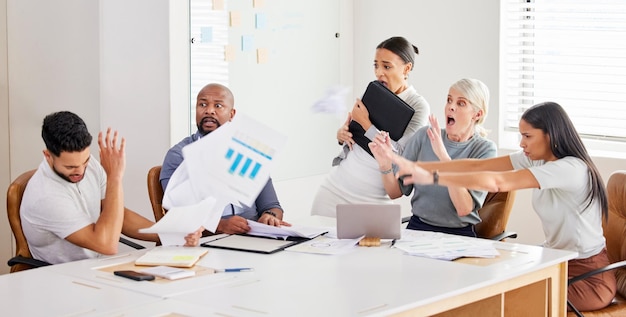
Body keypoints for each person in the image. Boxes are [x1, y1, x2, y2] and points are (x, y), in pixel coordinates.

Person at [377, 101, 616, 312]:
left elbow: (498, 182)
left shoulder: (571, 169)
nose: (522, 143)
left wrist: (436, 178)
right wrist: (420, 168)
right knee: (487, 287)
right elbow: (476, 167)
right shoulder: (539, 158)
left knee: (512, 300)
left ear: (550, 136)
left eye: (528, 136)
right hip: (556, 261)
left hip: (589, 277)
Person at [20, 111, 202, 265]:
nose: (80, 170)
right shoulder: (45, 196)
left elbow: (114, 214)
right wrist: (114, 176)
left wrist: (172, 233)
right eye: (70, 167)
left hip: (95, 268)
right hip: (61, 278)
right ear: (48, 156)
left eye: (84, 161)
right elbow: (107, 244)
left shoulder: (90, 166)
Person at [310, 36, 431, 217]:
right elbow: (354, 137)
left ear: (407, 68)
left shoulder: (418, 107)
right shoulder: (374, 92)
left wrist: (366, 124)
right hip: (333, 192)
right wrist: (342, 134)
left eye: (386, 66)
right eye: (376, 65)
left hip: (374, 201)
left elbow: (399, 154)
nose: (379, 72)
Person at [370, 78, 496, 237]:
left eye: (461, 103)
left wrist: (444, 157)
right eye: (449, 100)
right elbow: (395, 192)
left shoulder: (484, 149)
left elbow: (463, 208)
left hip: (459, 234)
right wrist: (385, 164)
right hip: (418, 227)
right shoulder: (425, 136)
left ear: (477, 114)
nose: (451, 107)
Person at [160, 83, 289, 235]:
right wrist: (220, 225)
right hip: (207, 241)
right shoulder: (179, 155)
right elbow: (179, 215)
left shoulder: (247, 152)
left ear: (232, 114)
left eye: (218, 105)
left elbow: (272, 205)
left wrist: (270, 217)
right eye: (202, 104)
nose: (209, 110)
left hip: (254, 236)